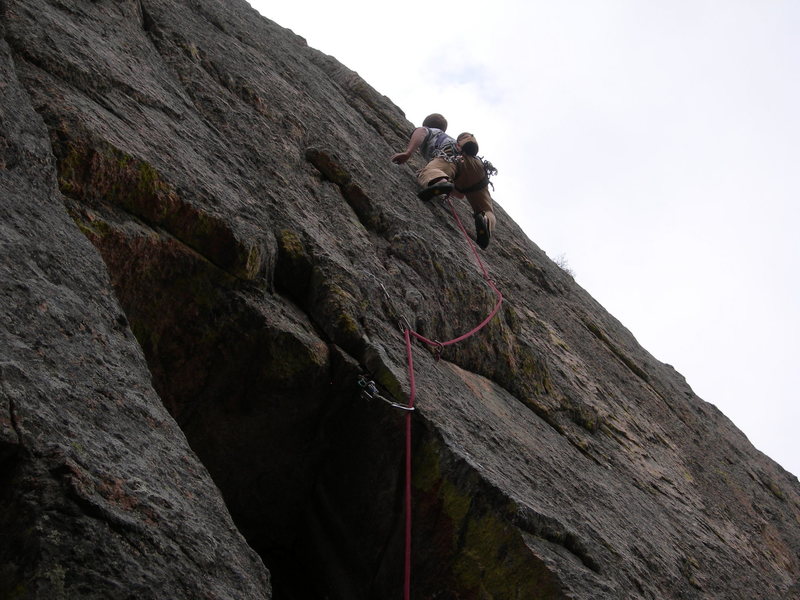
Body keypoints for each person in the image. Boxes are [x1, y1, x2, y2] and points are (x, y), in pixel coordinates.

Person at [391, 113, 497, 249]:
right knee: (486, 209)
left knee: (429, 172)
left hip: (451, 156)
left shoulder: (430, 130)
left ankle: (439, 181)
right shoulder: (455, 140)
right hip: (478, 169)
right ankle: (486, 223)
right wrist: (450, 187)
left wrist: (408, 153)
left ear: (427, 124)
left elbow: (421, 132)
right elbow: (460, 194)